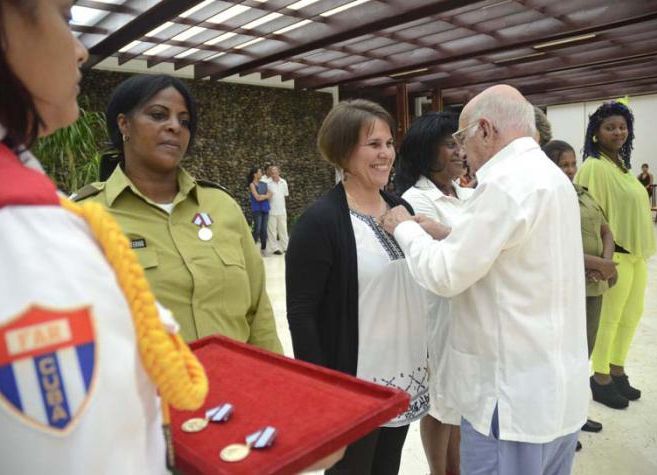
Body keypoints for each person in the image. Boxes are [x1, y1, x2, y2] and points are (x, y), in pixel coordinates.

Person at [0, 1, 208, 472]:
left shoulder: (45, 214)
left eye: (184, 120)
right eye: (65, 17)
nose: (80, 52)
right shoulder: (38, 229)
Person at [382, 85, 588, 475]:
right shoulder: (548, 176)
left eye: (462, 138)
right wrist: (448, 235)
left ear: (486, 130)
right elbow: (512, 253)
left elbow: (444, 275)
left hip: (510, 402)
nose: (462, 151)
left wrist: (404, 229)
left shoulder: (505, 184)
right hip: (555, 397)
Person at [73, 74, 282, 352]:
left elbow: (259, 311)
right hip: (148, 393)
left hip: (238, 386)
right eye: (158, 115)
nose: (175, 126)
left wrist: (273, 381)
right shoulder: (86, 217)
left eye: (185, 121)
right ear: (124, 124)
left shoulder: (221, 206)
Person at [286, 99, 430, 474]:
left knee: (387, 468)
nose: (385, 154)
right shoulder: (320, 221)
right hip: (355, 383)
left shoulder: (401, 209)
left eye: (388, 143)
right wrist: (320, 390)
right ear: (343, 151)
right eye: (373, 145)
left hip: (403, 375)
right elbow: (302, 313)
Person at [395, 111, 472, 475]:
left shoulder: (467, 193)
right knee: (440, 403)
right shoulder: (417, 199)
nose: (460, 151)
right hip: (438, 314)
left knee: (456, 402)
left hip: (470, 313)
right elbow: (449, 258)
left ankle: (455, 469)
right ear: (427, 151)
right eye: (449, 144)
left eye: (460, 143)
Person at [575, 100, 656, 409]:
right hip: (614, 258)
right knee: (609, 320)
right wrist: (602, 262)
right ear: (596, 133)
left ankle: (618, 368)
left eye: (622, 127)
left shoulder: (622, 166)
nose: (618, 132)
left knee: (631, 316)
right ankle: (600, 377)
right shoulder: (594, 166)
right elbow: (590, 217)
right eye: (610, 127)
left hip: (635, 255)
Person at [543, 139, 617, 446]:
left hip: (593, 285)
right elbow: (552, 246)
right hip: (566, 288)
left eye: (573, 163)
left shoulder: (583, 193)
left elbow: (605, 230)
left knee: (582, 355)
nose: (571, 170)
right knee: (562, 357)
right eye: (564, 164)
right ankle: (558, 425)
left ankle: (574, 415)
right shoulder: (549, 197)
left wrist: (606, 264)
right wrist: (596, 263)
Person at [266, 165, 290, 255]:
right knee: (272, 231)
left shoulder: (284, 182)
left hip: (282, 210)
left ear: (279, 172)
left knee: (283, 229)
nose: (273, 174)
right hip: (271, 211)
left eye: (275, 172)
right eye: (272, 173)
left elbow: (285, 194)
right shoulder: (267, 183)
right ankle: (274, 248)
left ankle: (286, 247)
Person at [248, 166, 272, 255]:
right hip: (257, 209)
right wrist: (264, 196)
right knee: (257, 229)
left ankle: (263, 249)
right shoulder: (252, 184)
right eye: (260, 172)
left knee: (264, 229)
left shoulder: (264, 184)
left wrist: (263, 196)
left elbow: (271, 194)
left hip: (265, 208)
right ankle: (252, 249)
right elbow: (257, 198)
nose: (261, 173)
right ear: (255, 174)